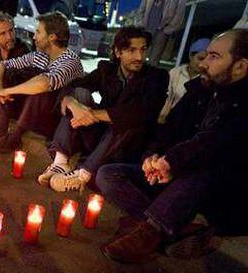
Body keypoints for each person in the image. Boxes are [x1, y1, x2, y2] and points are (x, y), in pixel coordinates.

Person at [96, 29, 248, 263]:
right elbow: (169, 128)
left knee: (204, 168)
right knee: (109, 174)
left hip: (216, 191)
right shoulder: (202, 88)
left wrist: (171, 161)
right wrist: (153, 155)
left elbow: (214, 142)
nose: (204, 63)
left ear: (239, 67)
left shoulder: (242, 103)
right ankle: (170, 229)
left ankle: (149, 231)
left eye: (215, 57)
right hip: (176, 174)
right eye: (205, 55)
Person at [38, 27, 169, 193]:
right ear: (118, 51)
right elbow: (74, 86)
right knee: (78, 94)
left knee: (125, 121)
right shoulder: (107, 70)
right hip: (100, 137)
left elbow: (138, 112)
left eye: (143, 50)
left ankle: (83, 175)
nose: (139, 57)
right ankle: (60, 164)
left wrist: (91, 114)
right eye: (131, 50)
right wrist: (71, 102)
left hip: (127, 143)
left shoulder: (157, 77)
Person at [0, 11, 84, 153]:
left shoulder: (70, 61)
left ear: (51, 37)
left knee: (41, 84)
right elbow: (1, 66)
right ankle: (0, 129)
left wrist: (5, 91)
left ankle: (16, 136)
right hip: (32, 112)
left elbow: (44, 84)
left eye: (38, 32)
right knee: (9, 74)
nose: (34, 37)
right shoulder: (39, 56)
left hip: (57, 120)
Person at [158, 38, 210, 123]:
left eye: (206, 61)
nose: (202, 64)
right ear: (190, 56)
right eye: (200, 58)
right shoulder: (176, 72)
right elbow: (166, 97)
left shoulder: (205, 80)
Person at [136, 0, 186, 66]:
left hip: (161, 31)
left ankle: (150, 75)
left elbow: (179, 16)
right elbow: (141, 10)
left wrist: (167, 30)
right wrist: (140, 24)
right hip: (146, 30)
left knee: (154, 59)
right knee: (140, 54)